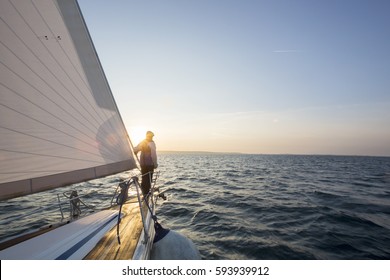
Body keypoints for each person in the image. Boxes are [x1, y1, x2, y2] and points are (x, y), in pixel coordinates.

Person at [133, 131, 158, 196]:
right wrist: (155, 164)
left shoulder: (142, 142)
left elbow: (135, 149)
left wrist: (136, 151)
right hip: (149, 164)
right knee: (149, 178)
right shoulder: (152, 143)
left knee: (144, 178)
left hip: (143, 164)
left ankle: (144, 191)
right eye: (151, 136)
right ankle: (146, 192)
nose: (152, 137)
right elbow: (153, 155)